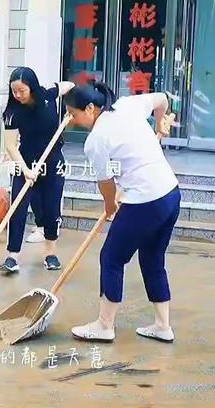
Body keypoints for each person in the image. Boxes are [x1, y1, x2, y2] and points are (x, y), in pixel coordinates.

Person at [64, 82, 180, 343]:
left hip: (145, 201)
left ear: (91, 108)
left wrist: (109, 206)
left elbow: (105, 184)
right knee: (152, 259)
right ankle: (163, 325)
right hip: (171, 195)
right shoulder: (128, 105)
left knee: (112, 258)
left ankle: (105, 326)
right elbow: (162, 99)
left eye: (73, 113)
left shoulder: (96, 140)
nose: (71, 119)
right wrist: (160, 123)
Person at [0, 67, 74, 273]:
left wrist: (72, 108)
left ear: (32, 87)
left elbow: (70, 86)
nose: (18, 95)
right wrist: (25, 170)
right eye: (14, 91)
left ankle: (50, 253)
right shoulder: (11, 113)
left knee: (51, 209)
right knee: (18, 207)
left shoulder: (48, 95)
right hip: (25, 163)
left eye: (22, 90)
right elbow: (11, 146)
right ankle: (12, 256)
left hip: (53, 161)